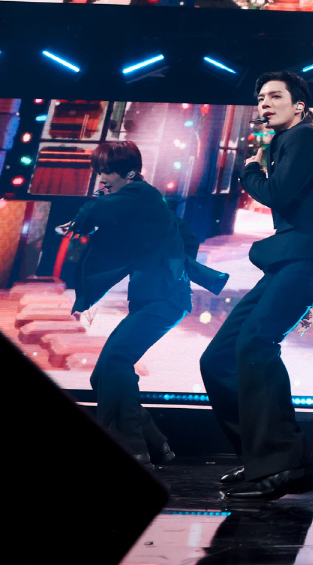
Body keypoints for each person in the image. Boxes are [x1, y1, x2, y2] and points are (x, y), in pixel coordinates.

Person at [200, 71, 313, 500]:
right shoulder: (285, 142)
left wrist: (249, 170)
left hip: (309, 259)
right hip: (288, 263)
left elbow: (277, 194)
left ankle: (285, 464)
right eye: (261, 97)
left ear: (299, 105)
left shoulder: (306, 137)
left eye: (275, 96)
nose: (264, 103)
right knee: (219, 358)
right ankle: (260, 460)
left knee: (255, 344)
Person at [63, 140, 227, 467]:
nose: (102, 178)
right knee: (103, 375)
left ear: (130, 173)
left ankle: (132, 448)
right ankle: (156, 443)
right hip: (154, 298)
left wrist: (83, 218)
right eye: (100, 171)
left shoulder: (140, 194)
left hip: (164, 299)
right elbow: (184, 234)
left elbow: (96, 210)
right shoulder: (144, 201)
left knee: (114, 364)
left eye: (108, 171)